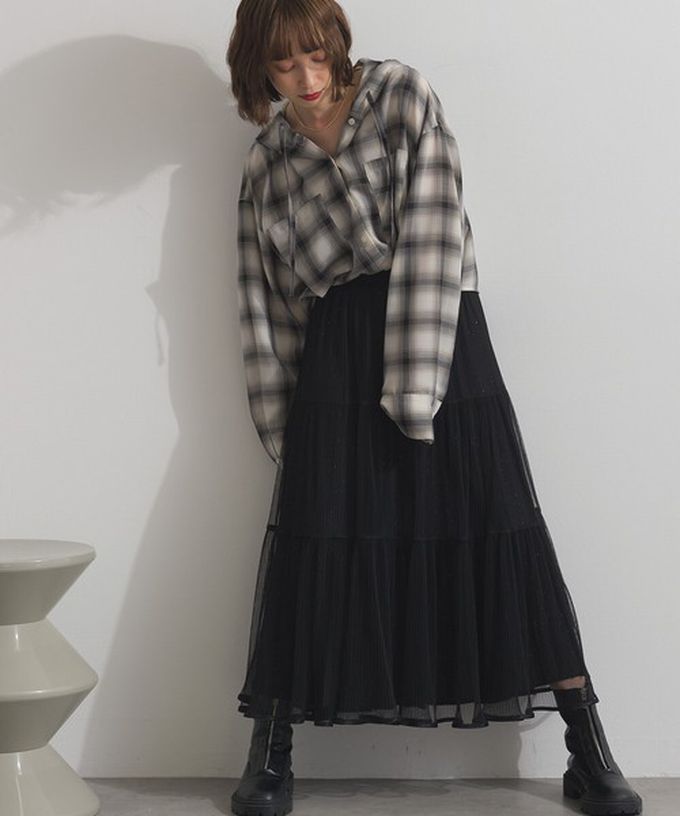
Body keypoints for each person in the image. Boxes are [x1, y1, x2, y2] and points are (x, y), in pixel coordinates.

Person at [226, 2, 643, 815]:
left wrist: (415, 383)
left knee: (499, 523)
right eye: (284, 64)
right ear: (259, 68)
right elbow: (263, 304)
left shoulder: (401, 96)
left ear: (335, 42)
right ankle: (270, 752)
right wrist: (282, 424)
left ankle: (587, 751)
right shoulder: (266, 164)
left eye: (316, 55)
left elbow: (436, 230)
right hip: (336, 355)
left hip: (440, 326)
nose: (306, 79)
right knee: (317, 536)